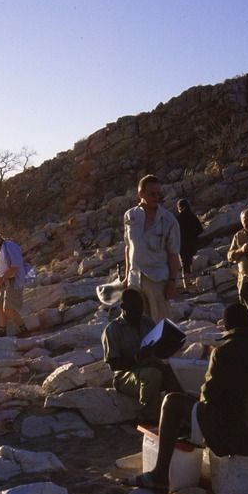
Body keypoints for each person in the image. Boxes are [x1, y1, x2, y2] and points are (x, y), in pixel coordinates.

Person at [124, 303, 248, 492]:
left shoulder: (224, 352)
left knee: (172, 402)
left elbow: (209, 399)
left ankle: (160, 475)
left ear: (227, 327)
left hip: (236, 440)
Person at [123, 175, 186, 321]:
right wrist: (126, 276)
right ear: (141, 194)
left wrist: (172, 282)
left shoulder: (169, 220)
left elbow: (173, 254)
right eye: (152, 193)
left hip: (157, 280)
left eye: (158, 193)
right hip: (135, 279)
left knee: (161, 323)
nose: (156, 197)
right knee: (137, 323)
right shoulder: (130, 216)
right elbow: (128, 247)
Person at [102, 288, 168, 423]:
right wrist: (137, 358)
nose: (139, 310)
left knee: (175, 372)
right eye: (135, 307)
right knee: (152, 375)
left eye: (141, 306)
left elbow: (159, 346)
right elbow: (114, 364)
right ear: (123, 307)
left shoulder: (147, 321)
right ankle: (148, 416)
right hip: (125, 376)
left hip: (150, 365)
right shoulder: (113, 329)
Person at [0, 231, 26, 336]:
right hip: (4, 282)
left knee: (8, 309)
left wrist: (2, 278)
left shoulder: (9, 246)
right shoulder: (0, 250)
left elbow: (15, 265)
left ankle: (24, 329)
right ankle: (3, 331)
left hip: (13, 280)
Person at [175, 199, 204, 288]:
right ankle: (189, 281)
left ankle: (186, 284)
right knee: (189, 261)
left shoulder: (178, 218)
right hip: (193, 243)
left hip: (182, 243)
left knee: (185, 263)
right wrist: (193, 235)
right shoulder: (192, 216)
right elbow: (200, 229)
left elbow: (174, 232)